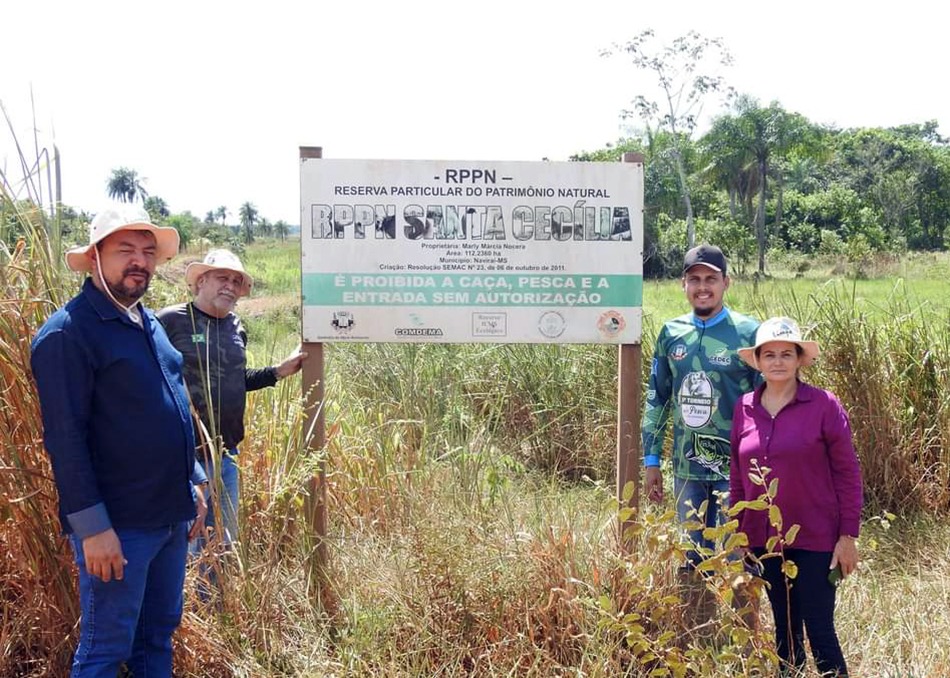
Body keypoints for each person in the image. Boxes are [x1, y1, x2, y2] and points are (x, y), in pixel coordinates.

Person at [31, 204, 208, 677]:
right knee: (105, 650)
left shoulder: (147, 324)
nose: (140, 261)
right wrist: (93, 529)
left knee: (156, 637)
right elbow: (65, 441)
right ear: (94, 258)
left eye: (148, 252)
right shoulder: (68, 334)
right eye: (125, 249)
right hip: (119, 528)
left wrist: (194, 481)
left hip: (171, 516)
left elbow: (171, 408)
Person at [731, 317, 862, 677]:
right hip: (766, 539)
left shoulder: (824, 405)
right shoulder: (743, 407)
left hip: (817, 537)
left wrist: (848, 536)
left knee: (820, 631)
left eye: (786, 354)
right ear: (757, 360)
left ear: (799, 359)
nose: (777, 362)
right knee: (785, 633)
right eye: (769, 354)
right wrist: (740, 532)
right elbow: (738, 477)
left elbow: (848, 473)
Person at [641, 244, 759, 630]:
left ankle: (746, 638)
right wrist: (652, 461)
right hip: (686, 469)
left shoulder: (748, 334)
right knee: (691, 555)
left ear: (726, 282)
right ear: (683, 284)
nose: (703, 287)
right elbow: (657, 397)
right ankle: (697, 635)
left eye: (711, 279)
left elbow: (769, 402)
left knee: (739, 554)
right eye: (695, 279)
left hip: (737, 470)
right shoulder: (671, 334)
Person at [157, 249, 306, 550]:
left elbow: (236, 380)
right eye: (222, 278)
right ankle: (189, 600)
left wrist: (277, 372)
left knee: (223, 545)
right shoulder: (170, 321)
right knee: (189, 547)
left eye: (236, 281)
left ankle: (218, 600)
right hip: (184, 458)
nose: (230, 286)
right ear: (200, 281)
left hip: (227, 454)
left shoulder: (236, 327)